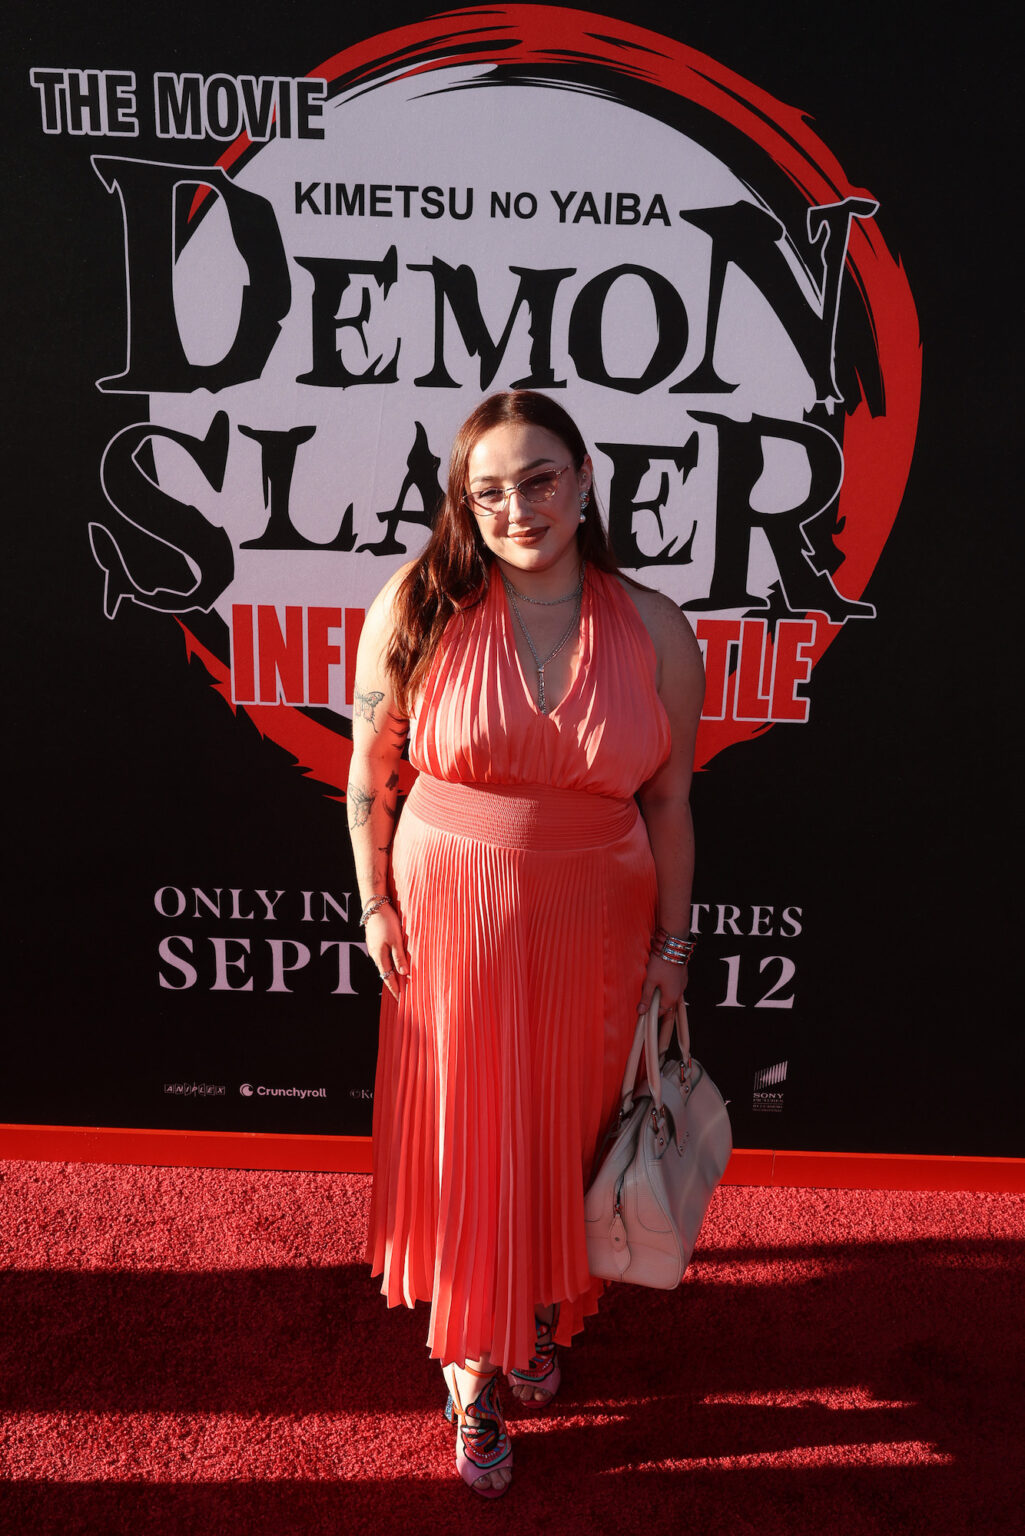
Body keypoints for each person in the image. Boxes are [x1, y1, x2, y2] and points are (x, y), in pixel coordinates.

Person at [347, 390, 704, 1496]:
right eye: (487, 489)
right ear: (463, 501)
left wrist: (673, 950)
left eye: (538, 479)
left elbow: (670, 803)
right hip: (449, 913)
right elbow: (368, 779)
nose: (516, 508)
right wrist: (374, 907)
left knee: (561, 1129)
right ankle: (469, 1369)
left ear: (585, 479)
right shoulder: (416, 602)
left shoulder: (653, 625)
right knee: (469, 1138)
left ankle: (534, 1304)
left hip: (595, 918)